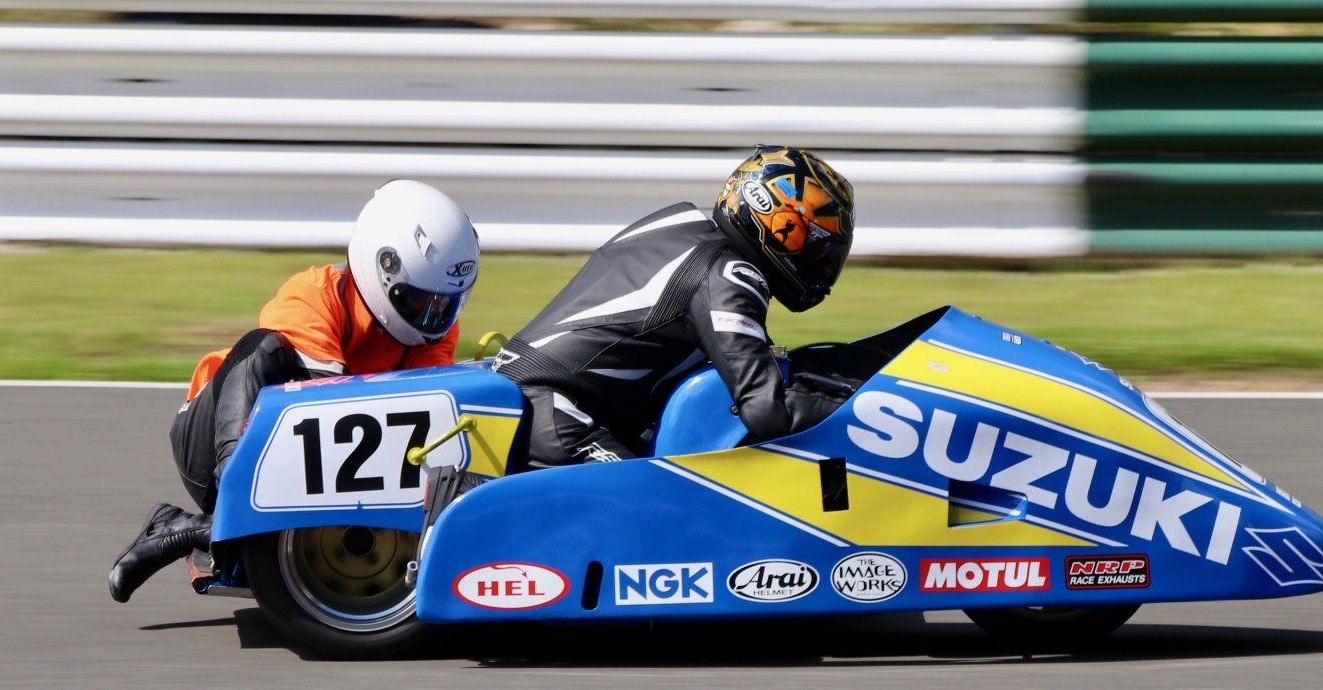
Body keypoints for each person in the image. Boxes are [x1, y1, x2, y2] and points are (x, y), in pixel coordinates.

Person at [108, 180, 480, 602]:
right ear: (382, 268)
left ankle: (191, 528)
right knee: (264, 345)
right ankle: (229, 505)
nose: (433, 318)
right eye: (418, 302)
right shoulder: (313, 297)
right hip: (211, 444)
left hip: (318, 464)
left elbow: (420, 421)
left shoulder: (435, 335)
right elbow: (324, 415)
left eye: (445, 305)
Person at [493, 145, 856, 467]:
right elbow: (767, 410)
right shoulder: (729, 275)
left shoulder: (682, 225)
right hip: (560, 415)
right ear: (781, 225)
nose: (822, 262)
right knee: (664, 513)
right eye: (817, 243)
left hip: (537, 399)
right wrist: (861, 408)